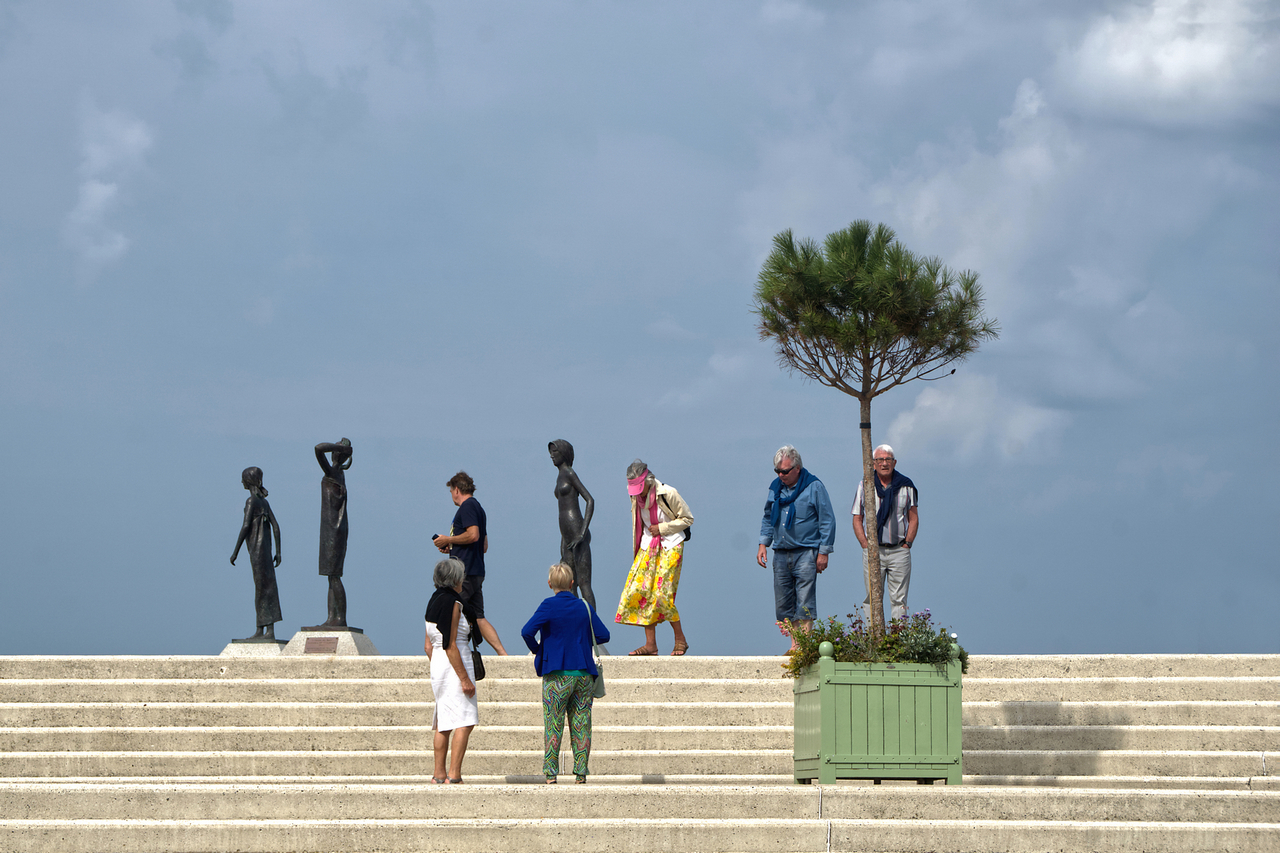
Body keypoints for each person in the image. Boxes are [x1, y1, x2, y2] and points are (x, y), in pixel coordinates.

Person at [522, 562, 610, 784]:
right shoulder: (584, 606)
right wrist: (579, 640)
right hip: (583, 675)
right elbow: (604, 635)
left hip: (557, 675)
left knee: (553, 724)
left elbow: (527, 632)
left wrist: (540, 650)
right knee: (581, 724)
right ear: (572, 584)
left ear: (550, 583)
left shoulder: (548, 606)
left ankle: (551, 774)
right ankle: (581, 773)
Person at [757, 445, 836, 652]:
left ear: (797, 468)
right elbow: (767, 517)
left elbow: (826, 520)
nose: (781, 475)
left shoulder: (814, 486)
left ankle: (802, 646)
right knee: (783, 603)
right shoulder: (775, 488)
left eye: (785, 471)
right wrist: (763, 543)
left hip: (806, 551)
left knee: (804, 600)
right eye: (777, 471)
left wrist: (824, 552)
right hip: (781, 552)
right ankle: (794, 644)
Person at [615, 459, 694, 656]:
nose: (638, 493)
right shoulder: (635, 497)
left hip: (670, 544)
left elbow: (687, 519)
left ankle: (680, 638)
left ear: (648, 480)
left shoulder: (668, 493)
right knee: (640, 591)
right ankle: (651, 645)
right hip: (647, 546)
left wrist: (662, 528)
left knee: (662, 594)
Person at [432, 471, 508, 654]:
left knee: (450, 609)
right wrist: (451, 548)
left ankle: (445, 651)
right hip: (476, 570)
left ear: (456, 489)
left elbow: (473, 535)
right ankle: (504, 655)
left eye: (451, 491)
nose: (451, 495)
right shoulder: (479, 509)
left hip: (462, 573)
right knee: (479, 616)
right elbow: (483, 545)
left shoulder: (467, 508)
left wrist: (448, 540)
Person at [424, 557, 478, 784]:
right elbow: (451, 642)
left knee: (442, 722)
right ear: (456, 579)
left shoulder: (432, 601)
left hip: (437, 663)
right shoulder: (454, 603)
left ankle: (438, 774)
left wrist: (440, 664)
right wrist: (464, 678)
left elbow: (429, 645)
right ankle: (454, 774)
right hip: (455, 661)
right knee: (465, 720)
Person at [852, 444, 919, 623]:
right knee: (872, 597)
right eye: (880, 460)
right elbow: (857, 518)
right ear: (873, 463)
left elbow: (913, 518)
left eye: (887, 459)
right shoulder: (865, 485)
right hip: (874, 550)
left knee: (899, 599)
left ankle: (897, 639)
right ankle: (874, 638)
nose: (884, 463)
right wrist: (865, 545)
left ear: (894, 462)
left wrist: (908, 543)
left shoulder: (906, 486)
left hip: (899, 550)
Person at [229, 466, 282, 641]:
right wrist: (278, 552)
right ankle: (265, 629)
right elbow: (275, 526)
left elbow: (245, 526)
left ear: (248, 481)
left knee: (261, 588)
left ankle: (264, 631)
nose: (241, 482)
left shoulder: (251, 501)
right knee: (267, 587)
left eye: (243, 479)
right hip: (265, 549)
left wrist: (235, 551)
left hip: (257, 550)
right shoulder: (265, 503)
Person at [549, 439, 597, 612]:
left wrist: (582, 533)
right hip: (567, 536)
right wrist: (563, 540)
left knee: (584, 584)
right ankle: (575, 621)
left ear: (564, 454)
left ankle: (593, 626)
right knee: (570, 585)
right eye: (551, 452)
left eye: (555, 452)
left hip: (577, 533)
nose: (551, 456)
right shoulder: (559, 476)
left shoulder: (569, 473)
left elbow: (590, 500)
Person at [315, 439, 352, 627]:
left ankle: (340, 618)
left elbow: (318, 449)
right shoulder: (337, 472)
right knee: (331, 575)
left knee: (335, 574)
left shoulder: (334, 471)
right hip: (330, 529)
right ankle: (332, 618)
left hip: (333, 530)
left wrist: (339, 448)